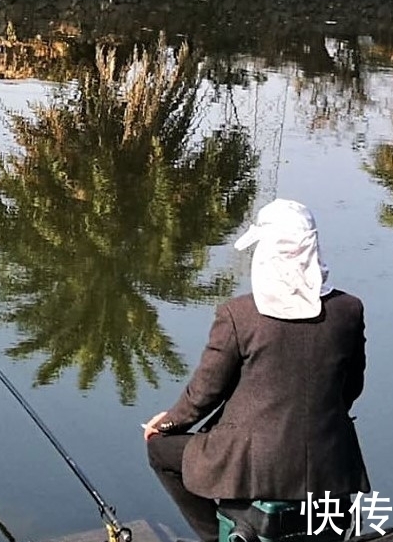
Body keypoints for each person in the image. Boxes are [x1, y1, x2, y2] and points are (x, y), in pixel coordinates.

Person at [143, 199, 369, 541]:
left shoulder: (239, 315)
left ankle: (212, 534)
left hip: (252, 462)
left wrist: (168, 422)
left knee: (160, 450)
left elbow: (205, 393)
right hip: (330, 461)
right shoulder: (348, 310)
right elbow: (351, 388)